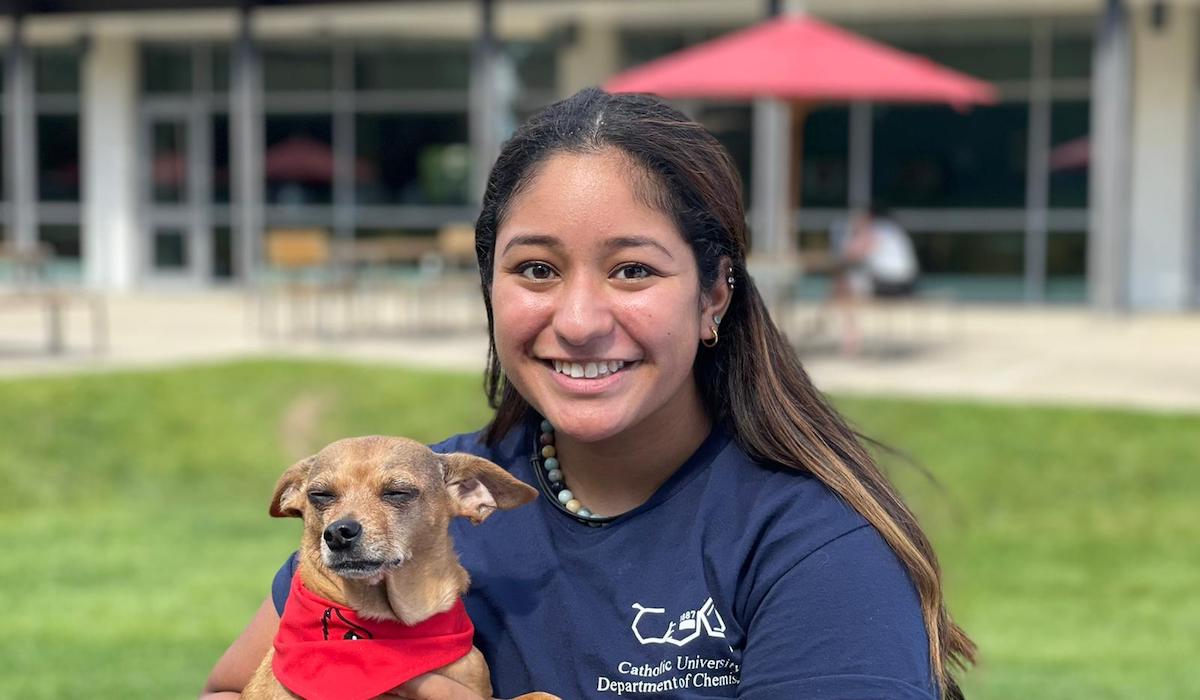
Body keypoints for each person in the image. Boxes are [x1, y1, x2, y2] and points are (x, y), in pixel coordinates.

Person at [202, 88, 974, 700]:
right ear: (490, 290)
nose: (577, 321)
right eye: (536, 269)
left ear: (714, 295)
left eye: (632, 270)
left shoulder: (812, 547)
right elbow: (232, 688)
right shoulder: (426, 496)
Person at [829, 204, 920, 354]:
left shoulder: (877, 229)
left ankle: (850, 336)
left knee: (845, 285)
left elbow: (849, 254)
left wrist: (850, 235)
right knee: (847, 284)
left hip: (892, 284)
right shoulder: (891, 229)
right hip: (907, 284)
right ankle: (845, 330)